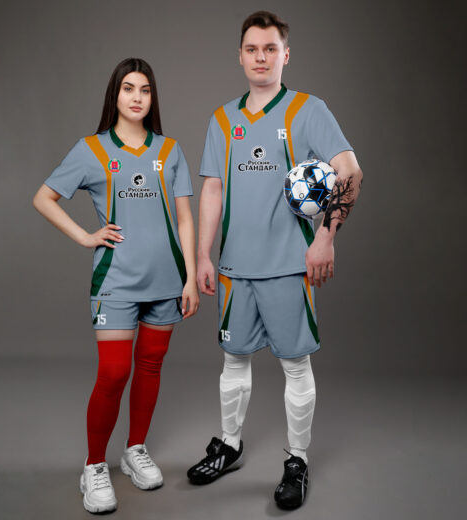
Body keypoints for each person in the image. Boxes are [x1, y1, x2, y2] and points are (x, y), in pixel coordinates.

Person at [186, 11, 363, 511]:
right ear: (240, 56)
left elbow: (350, 171)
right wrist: (203, 254)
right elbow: (213, 189)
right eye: (252, 49)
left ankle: (297, 460)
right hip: (235, 268)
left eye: (270, 48)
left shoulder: (309, 110)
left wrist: (326, 236)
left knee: (295, 365)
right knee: (234, 360)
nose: (260, 57)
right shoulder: (222, 119)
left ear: (286, 54)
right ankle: (230, 445)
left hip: (289, 265)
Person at [33, 58, 199, 514]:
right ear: (115, 94)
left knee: (150, 366)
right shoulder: (91, 149)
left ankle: (135, 449)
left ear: (152, 97)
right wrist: (86, 236)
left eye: (145, 89)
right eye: (128, 88)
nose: (137, 97)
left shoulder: (170, 151)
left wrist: (189, 279)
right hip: (117, 281)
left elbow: (185, 219)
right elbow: (43, 198)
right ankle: (93, 466)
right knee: (113, 373)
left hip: (167, 280)